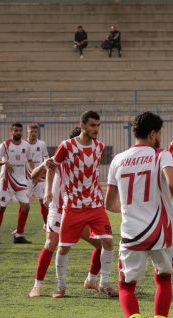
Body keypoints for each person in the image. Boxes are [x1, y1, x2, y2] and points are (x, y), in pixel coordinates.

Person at [105, 111, 173, 318]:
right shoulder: (161, 154)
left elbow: (109, 203)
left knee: (126, 286)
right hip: (161, 232)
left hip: (131, 233)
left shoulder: (118, 160)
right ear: (153, 134)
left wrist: (131, 209)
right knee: (163, 279)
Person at [45, 110, 117, 298]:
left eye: (98, 125)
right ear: (82, 125)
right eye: (92, 125)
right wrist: (48, 191)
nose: (96, 129)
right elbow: (51, 166)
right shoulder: (66, 146)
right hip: (73, 207)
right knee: (63, 247)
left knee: (108, 242)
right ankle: (61, 286)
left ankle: (104, 283)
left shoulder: (100, 146)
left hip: (95, 205)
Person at [29, 127, 104, 298]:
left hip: (79, 210)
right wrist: (48, 189)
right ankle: (37, 286)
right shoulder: (61, 157)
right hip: (59, 210)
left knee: (102, 244)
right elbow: (36, 174)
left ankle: (91, 279)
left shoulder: (91, 158)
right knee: (51, 243)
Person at [0, 122, 33, 244]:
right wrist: (4, 162)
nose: (18, 133)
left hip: (21, 181)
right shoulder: (5, 145)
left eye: (20, 131)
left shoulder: (26, 145)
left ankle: (19, 235)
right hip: (6, 182)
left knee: (26, 207)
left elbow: (30, 161)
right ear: (11, 132)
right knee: (1, 208)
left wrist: (33, 173)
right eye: (16, 130)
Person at [26, 123, 50, 226]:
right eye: (31, 132)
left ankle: (47, 224)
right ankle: (20, 229)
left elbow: (46, 159)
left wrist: (40, 175)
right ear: (27, 132)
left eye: (35, 132)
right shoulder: (23, 145)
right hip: (27, 178)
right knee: (24, 203)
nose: (34, 134)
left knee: (43, 201)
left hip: (40, 177)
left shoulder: (42, 144)